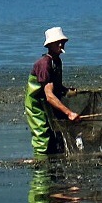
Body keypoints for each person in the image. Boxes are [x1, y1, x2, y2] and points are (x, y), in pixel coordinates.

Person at [25, 27, 80, 156]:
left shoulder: (57, 62)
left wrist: (67, 90)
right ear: (49, 45)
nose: (61, 44)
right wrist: (69, 113)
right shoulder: (44, 64)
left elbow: (56, 86)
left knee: (56, 134)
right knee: (42, 137)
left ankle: (53, 168)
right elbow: (49, 95)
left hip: (48, 104)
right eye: (57, 42)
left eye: (62, 42)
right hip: (37, 105)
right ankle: (41, 168)